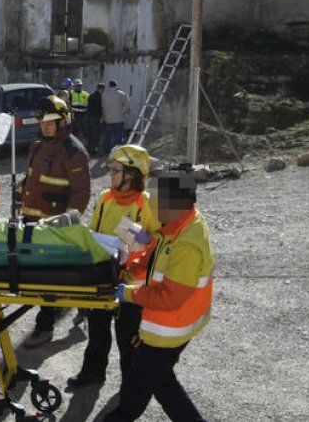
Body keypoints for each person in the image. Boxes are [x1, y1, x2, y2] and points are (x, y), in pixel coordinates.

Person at [102, 168, 213, 422]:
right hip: (172, 326)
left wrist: (128, 294)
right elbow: (160, 251)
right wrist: (140, 252)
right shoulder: (181, 223)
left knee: (134, 395)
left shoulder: (187, 244)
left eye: (158, 204)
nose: (154, 210)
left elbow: (169, 297)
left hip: (168, 330)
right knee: (163, 383)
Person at [68, 144, 159, 389]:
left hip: (132, 282)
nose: (111, 174)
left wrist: (147, 240)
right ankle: (93, 373)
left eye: (116, 169)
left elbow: (161, 243)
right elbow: (94, 233)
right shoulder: (105, 198)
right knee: (97, 330)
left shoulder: (147, 203)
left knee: (127, 335)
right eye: (111, 168)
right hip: (104, 275)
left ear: (132, 173)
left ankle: (131, 383)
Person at [21, 95, 91, 347]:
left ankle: (45, 327)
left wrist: (66, 225)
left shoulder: (74, 153)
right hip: (31, 224)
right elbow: (34, 181)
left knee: (48, 278)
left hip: (53, 229)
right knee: (38, 277)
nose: (46, 127)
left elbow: (81, 195)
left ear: (63, 122)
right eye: (43, 123)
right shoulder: (37, 147)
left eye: (51, 123)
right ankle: (80, 302)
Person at [101, 80, 132, 153]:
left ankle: (107, 152)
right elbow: (128, 106)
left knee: (108, 137)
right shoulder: (122, 94)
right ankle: (118, 153)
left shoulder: (104, 95)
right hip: (119, 120)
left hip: (108, 120)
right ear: (116, 85)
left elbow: (103, 107)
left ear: (109, 86)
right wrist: (123, 112)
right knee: (119, 138)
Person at [87, 82, 106, 156]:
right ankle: (92, 152)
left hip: (89, 117)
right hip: (96, 118)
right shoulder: (99, 97)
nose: (103, 91)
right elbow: (99, 108)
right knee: (95, 135)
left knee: (90, 135)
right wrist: (101, 116)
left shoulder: (91, 95)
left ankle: (89, 150)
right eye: (103, 89)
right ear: (100, 89)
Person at [70, 79, 90, 144]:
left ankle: (85, 144)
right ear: (74, 86)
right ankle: (73, 144)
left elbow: (89, 105)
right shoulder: (70, 93)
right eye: (76, 85)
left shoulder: (86, 94)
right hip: (74, 115)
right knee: (74, 131)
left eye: (79, 85)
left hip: (83, 115)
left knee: (85, 131)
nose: (78, 87)